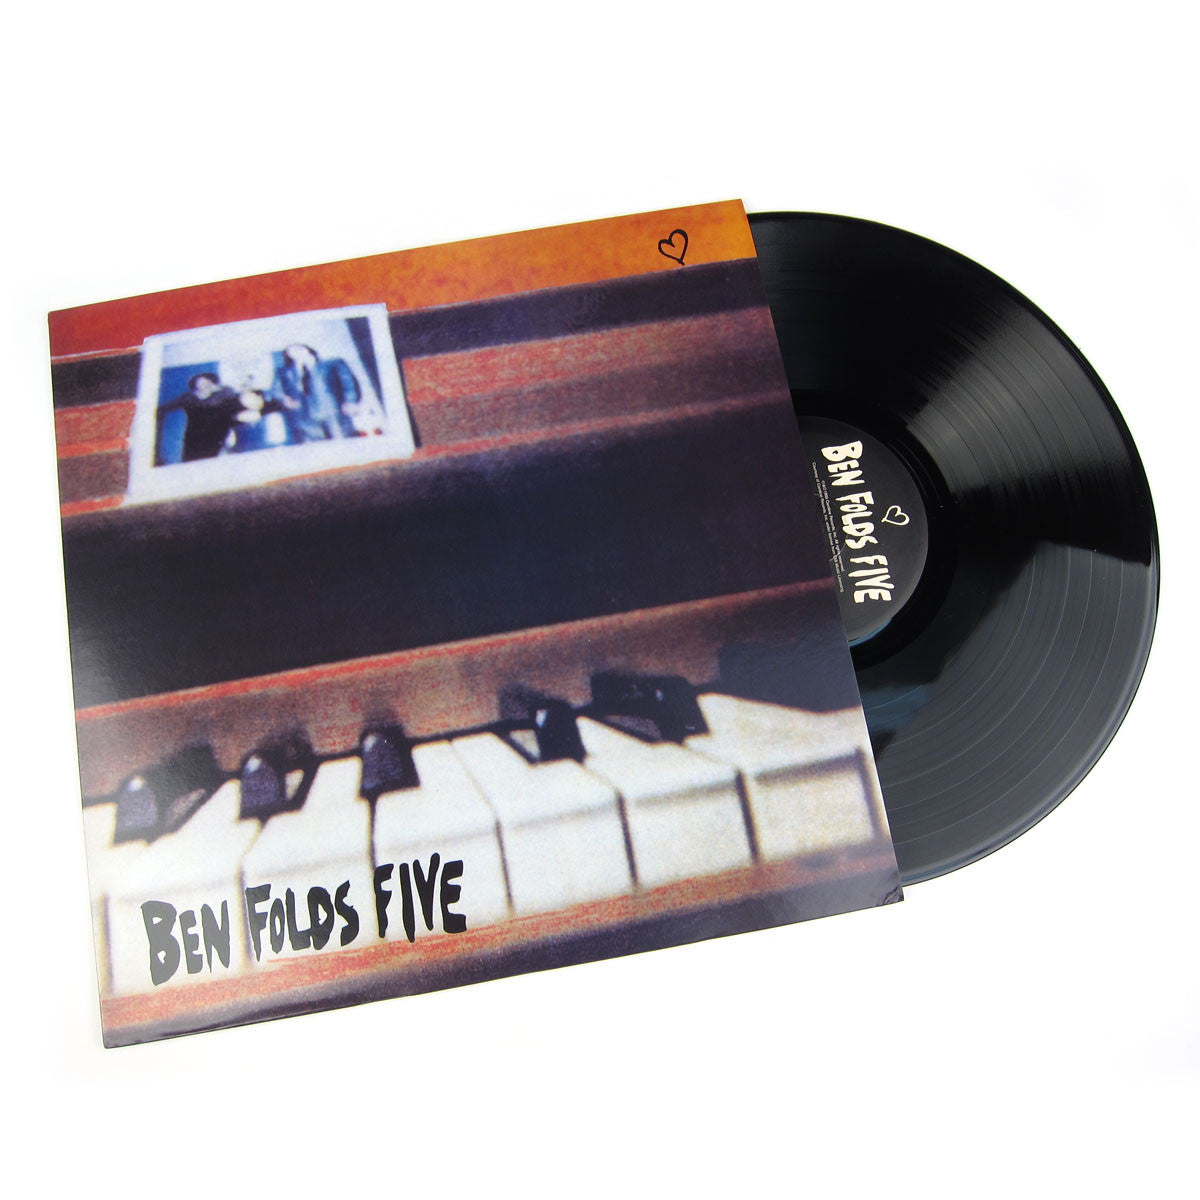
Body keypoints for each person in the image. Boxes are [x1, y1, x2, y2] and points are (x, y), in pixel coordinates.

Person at [273, 344, 363, 442]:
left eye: (298, 348)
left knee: (343, 443)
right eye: (291, 351)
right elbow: (275, 390)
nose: (295, 352)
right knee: (316, 448)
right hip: (306, 417)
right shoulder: (284, 371)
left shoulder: (331, 364)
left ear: (307, 349)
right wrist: (284, 399)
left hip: (334, 412)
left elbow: (348, 383)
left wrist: (351, 401)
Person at [157, 372, 245, 462]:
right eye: (200, 384)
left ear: (212, 383)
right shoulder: (189, 397)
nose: (204, 386)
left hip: (217, 434)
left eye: (206, 383)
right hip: (195, 436)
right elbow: (169, 406)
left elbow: (237, 400)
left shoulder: (223, 393)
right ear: (195, 387)